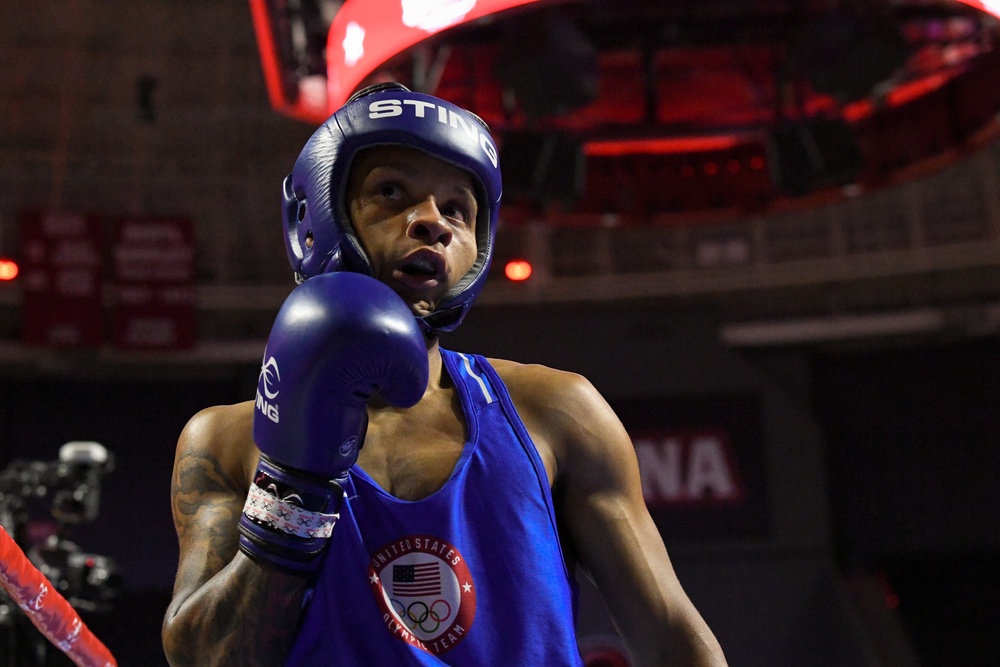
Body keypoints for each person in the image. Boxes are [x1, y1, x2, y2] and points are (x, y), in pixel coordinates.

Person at [161, 82, 727, 667]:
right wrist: (294, 484)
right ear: (319, 216)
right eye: (391, 192)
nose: (433, 222)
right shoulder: (225, 441)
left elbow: (672, 638)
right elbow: (205, 657)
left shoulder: (557, 412)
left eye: (457, 207)